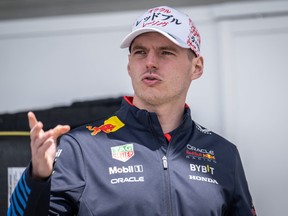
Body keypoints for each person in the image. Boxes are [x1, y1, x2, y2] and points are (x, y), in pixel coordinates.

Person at [7, 5, 256, 216]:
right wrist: (37, 179)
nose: (150, 62)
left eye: (165, 52)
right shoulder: (81, 147)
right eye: (140, 52)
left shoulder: (224, 154)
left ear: (196, 67)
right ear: (129, 66)